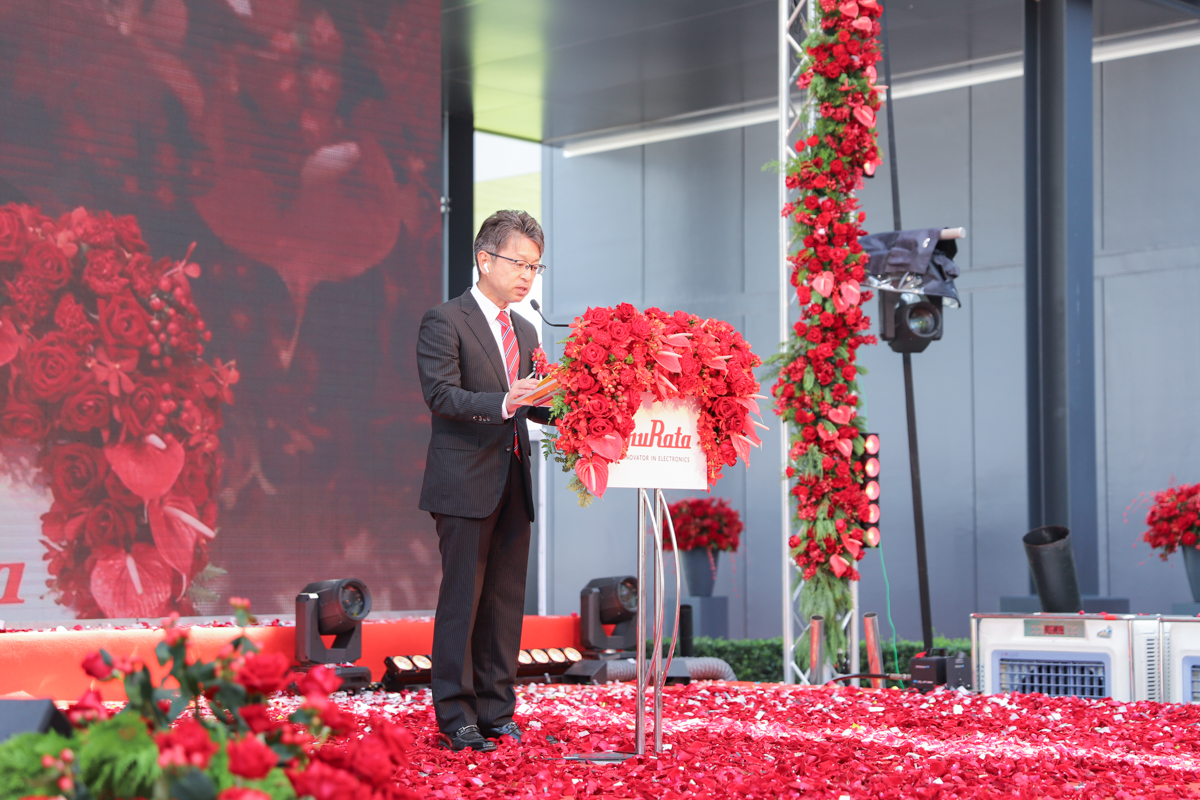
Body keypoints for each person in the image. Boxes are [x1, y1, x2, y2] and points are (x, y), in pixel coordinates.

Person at [416, 210, 553, 752]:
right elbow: (440, 394)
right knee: (463, 601)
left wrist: (577, 406)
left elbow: (531, 405)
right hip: (464, 482)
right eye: (519, 263)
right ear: (484, 259)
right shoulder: (445, 320)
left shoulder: (526, 328)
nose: (527, 276)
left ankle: (498, 711)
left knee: (504, 603)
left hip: (514, 479)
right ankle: (457, 715)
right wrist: (503, 401)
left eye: (535, 267)